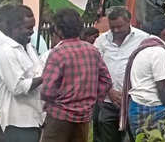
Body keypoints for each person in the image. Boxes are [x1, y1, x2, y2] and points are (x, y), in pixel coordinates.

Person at [40, 8, 112, 142]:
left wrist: (61, 100)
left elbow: (46, 90)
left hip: (59, 117)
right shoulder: (92, 50)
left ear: (59, 30)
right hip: (83, 117)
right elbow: (106, 81)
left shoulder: (57, 53)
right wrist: (93, 99)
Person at [93, 6, 150, 142]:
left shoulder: (143, 39)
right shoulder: (101, 41)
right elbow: (95, 69)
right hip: (108, 100)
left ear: (129, 21)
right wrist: (109, 91)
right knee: (107, 136)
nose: (116, 31)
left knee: (133, 136)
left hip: (133, 99)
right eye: (113, 27)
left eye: (120, 26)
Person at [0, 5, 43, 142]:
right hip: (18, 121)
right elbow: (18, 87)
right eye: (28, 28)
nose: (32, 32)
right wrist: (45, 77)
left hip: (34, 118)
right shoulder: (6, 51)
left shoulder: (28, 48)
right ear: (14, 28)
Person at [120, 16, 165, 137]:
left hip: (137, 106)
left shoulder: (144, 48)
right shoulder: (158, 51)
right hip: (151, 109)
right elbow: (162, 88)